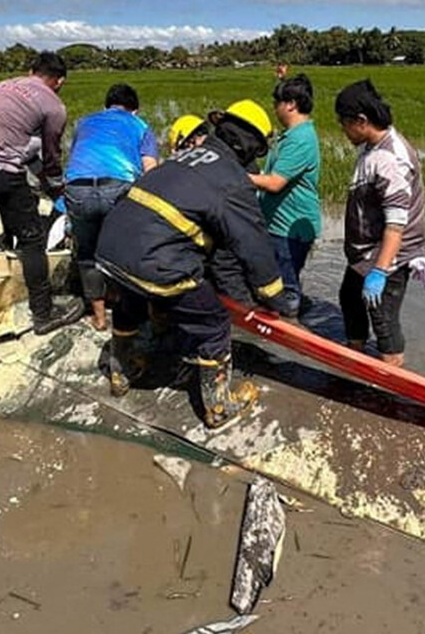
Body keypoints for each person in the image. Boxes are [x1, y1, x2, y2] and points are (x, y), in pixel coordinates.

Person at [95, 99, 295, 430]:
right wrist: (272, 296)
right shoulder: (232, 179)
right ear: (249, 146)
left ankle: (121, 373)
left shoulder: (187, 156)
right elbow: (252, 244)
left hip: (110, 249)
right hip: (154, 262)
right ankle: (217, 408)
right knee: (214, 321)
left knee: (131, 301)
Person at [0, 51, 84, 336]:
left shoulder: (4, 85)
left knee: (14, 202)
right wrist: (57, 189)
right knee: (33, 237)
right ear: (59, 81)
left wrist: (41, 182)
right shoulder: (54, 106)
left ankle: (7, 249)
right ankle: (43, 313)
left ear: (32, 71)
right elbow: (51, 158)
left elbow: (26, 148)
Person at [335, 79, 425, 368]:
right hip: (366, 253)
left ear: (362, 121)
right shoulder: (372, 146)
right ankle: (355, 356)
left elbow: (396, 225)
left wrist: (379, 271)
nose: (342, 129)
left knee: (383, 319)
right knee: (350, 298)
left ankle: (391, 375)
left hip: (388, 255)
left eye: (344, 123)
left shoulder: (391, 158)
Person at [63, 83, 159, 331]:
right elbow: (151, 171)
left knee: (87, 254)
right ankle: (130, 312)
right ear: (134, 110)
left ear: (105, 107)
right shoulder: (140, 126)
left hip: (78, 189)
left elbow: (78, 157)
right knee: (124, 251)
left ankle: (99, 318)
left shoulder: (84, 122)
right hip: (117, 188)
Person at [249, 73, 321, 316]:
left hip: (290, 228)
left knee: (286, 291)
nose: (274, 109)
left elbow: (274, 183)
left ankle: (289, 330)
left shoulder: (300, 139)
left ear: (290, 104)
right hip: (280, 225)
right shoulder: (290, 135)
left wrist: (236, 177)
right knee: (280, 280)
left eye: (277, 103)